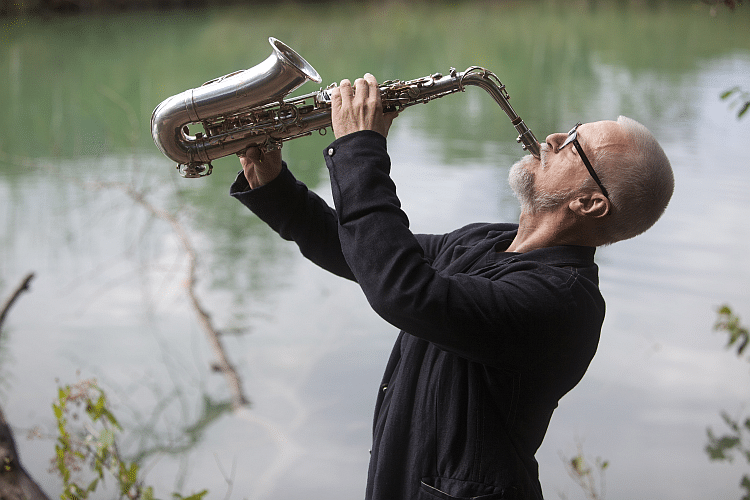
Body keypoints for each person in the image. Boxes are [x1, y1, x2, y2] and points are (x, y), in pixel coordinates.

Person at [230, 73, 674, 500]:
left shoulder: (562, 302)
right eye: (572, 130)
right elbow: (362, 254)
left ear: (589, 202)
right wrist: (272, 185)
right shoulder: (489, 240)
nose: (554, 138)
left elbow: (403, 290)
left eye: (574, 145)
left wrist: (358, 148)